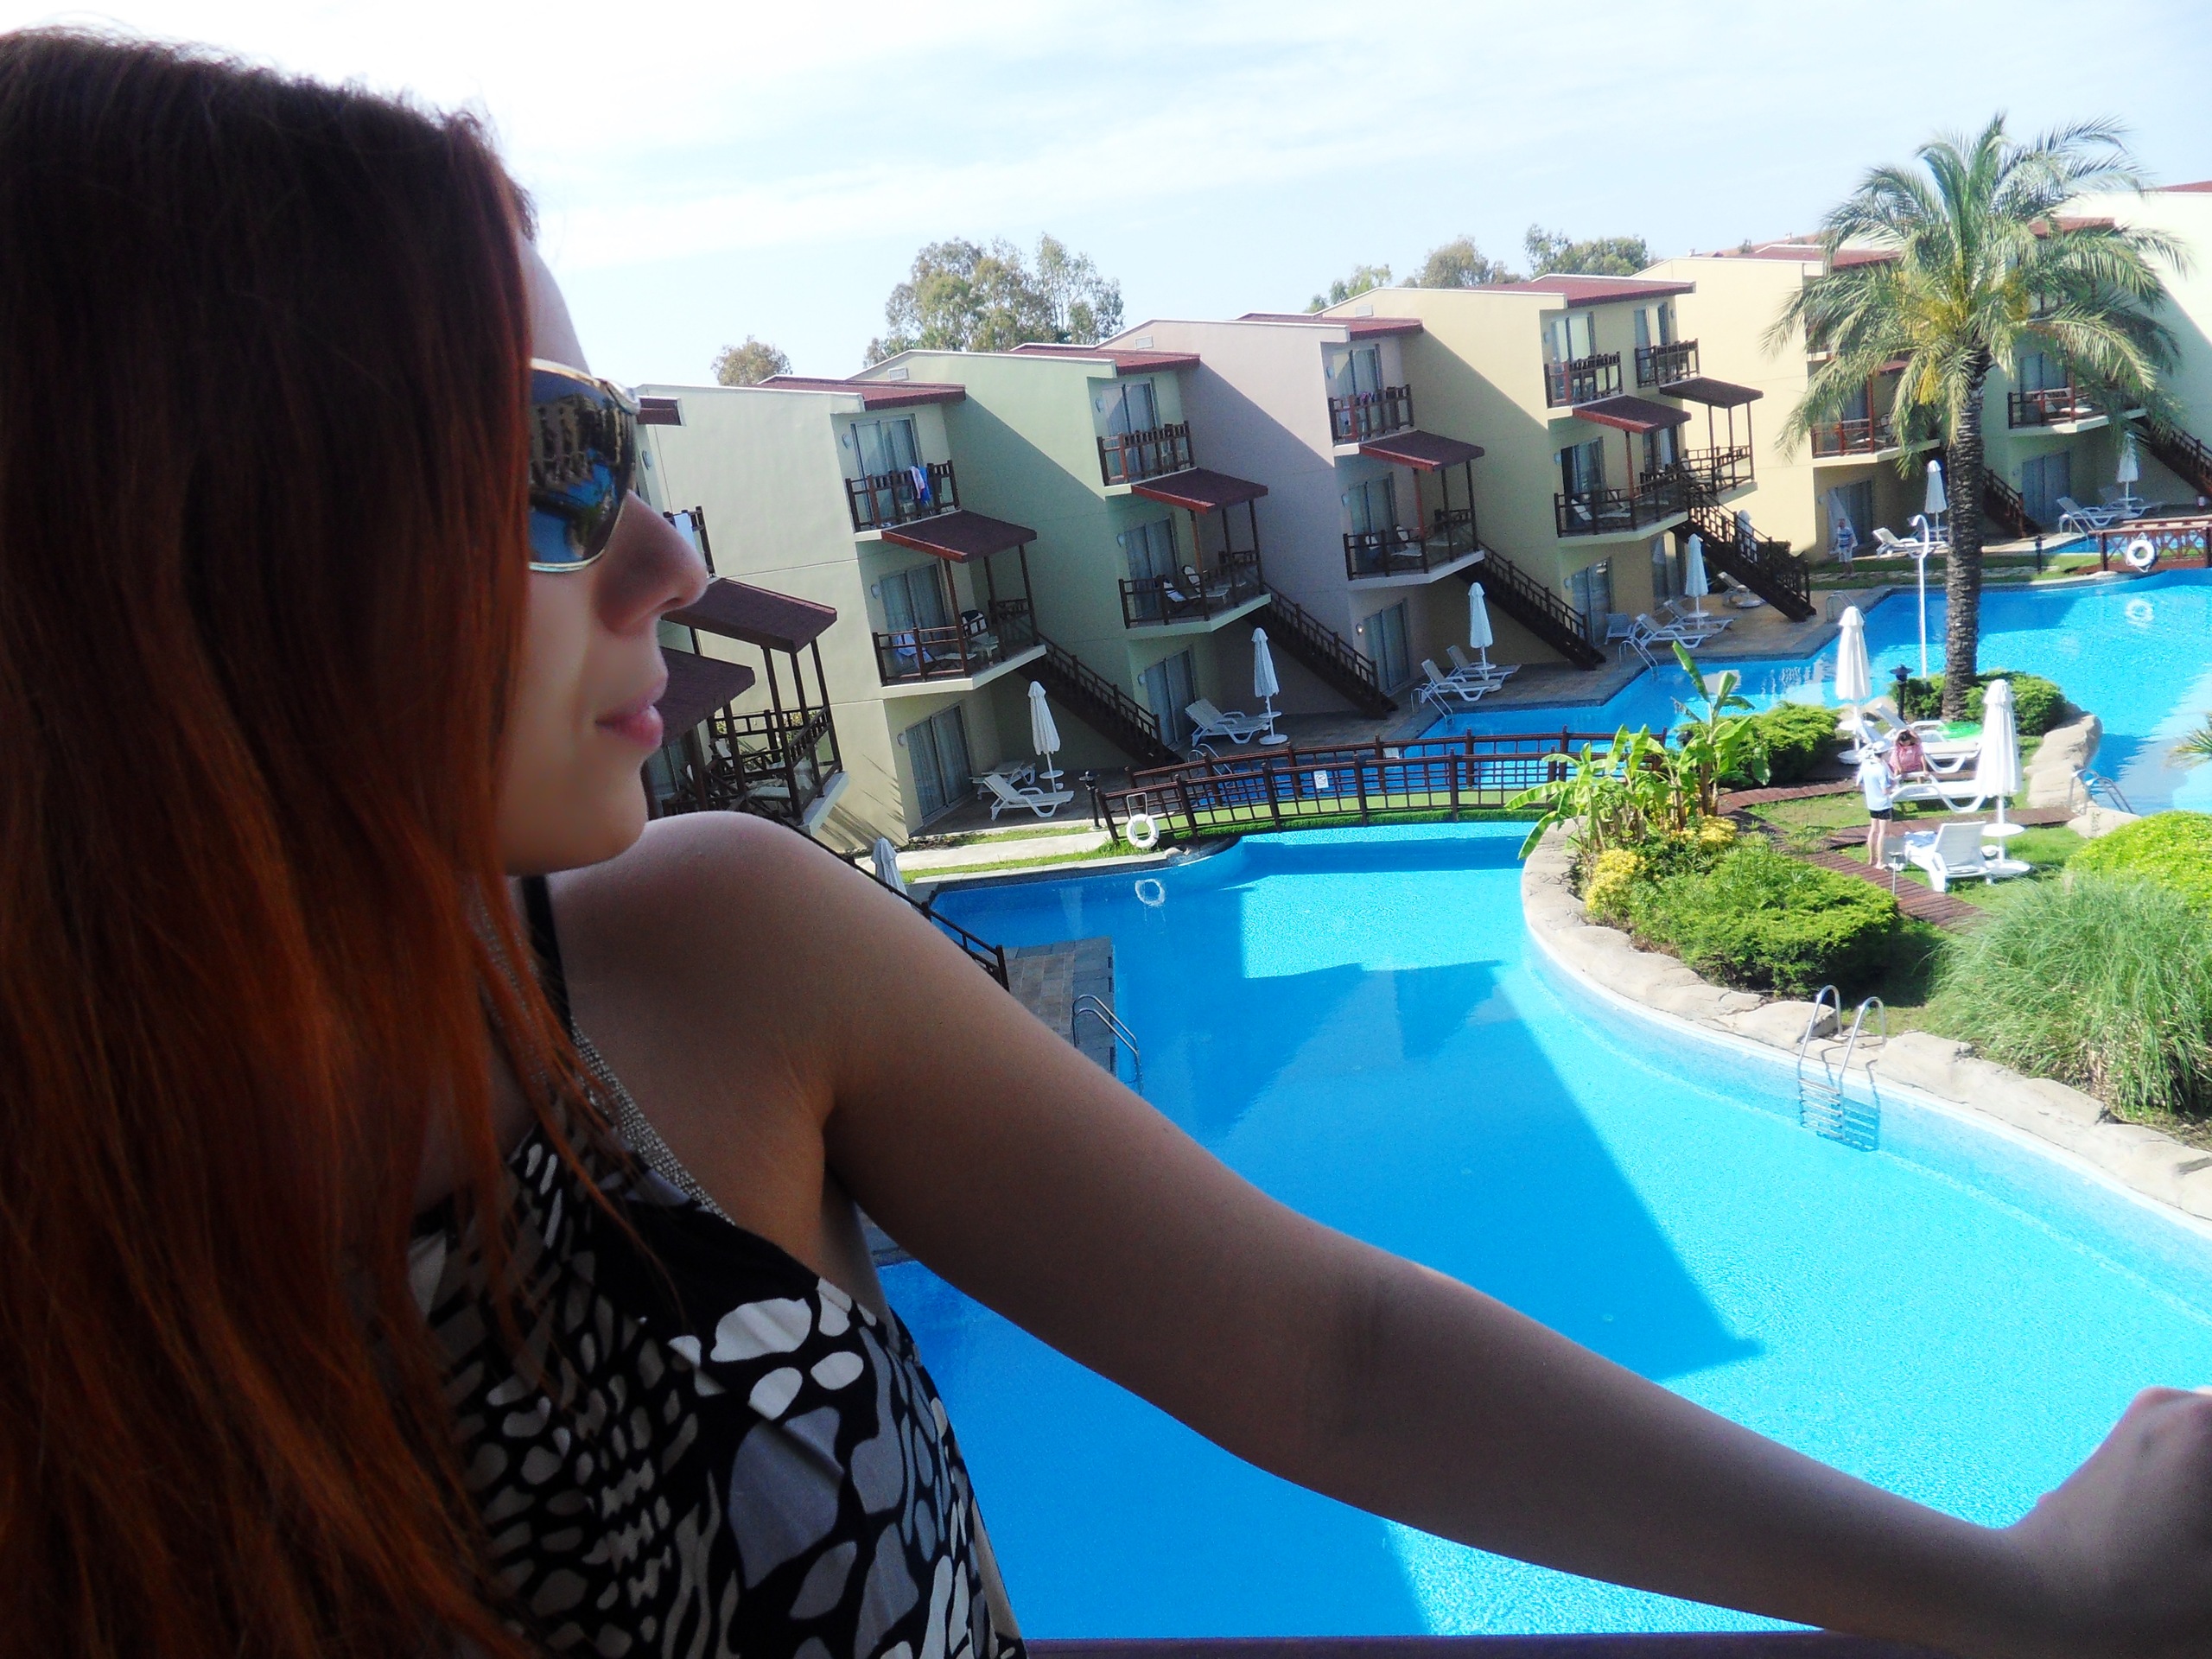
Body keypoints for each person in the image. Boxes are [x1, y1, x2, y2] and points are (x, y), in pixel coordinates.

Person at [7, 30, 2212, 1659]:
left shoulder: (703, 965)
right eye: (545, 472)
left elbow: (1326, 1354)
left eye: (633, 453)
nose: (666, 559)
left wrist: (2014, 1595)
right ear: (192, 549)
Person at [1859, 741, 1898, 867]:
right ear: (1884, 753)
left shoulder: (1866, 764)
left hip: (1871, 802)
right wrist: (1893, 784)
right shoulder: (1881, 769)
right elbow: (1885, 791)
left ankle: (1871, 859)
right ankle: (1880, 861)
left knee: (1873, 830)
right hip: (1883, 804)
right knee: (1882, 832)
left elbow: (1859, 782)